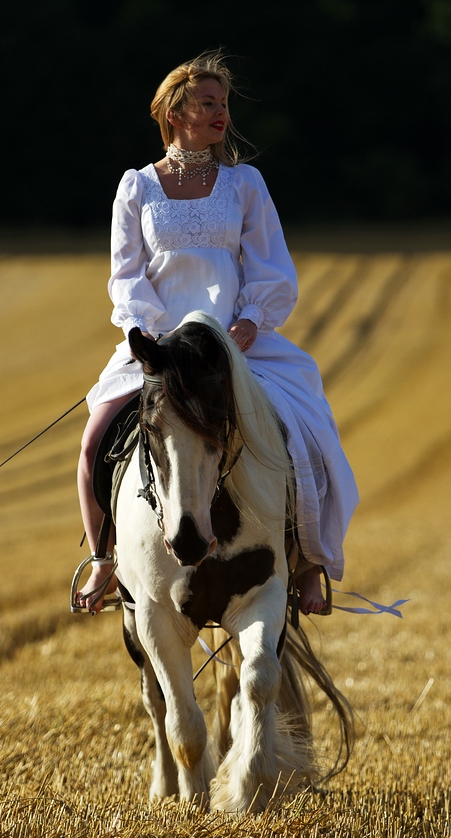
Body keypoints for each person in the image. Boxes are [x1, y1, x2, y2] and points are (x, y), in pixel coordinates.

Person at [76, 52, 359, 615]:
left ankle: (307, 562)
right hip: (159, 348)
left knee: (311, 436)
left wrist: (250, 321)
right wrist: (156, 341)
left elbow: (270, 266)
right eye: (207, 102)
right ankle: (105, 560)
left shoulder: (244, 184)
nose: (220, 112)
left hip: (238, 344)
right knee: (93, 444)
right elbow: (126, 275)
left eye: (223, 102)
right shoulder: (135, 188)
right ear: (174, 112)